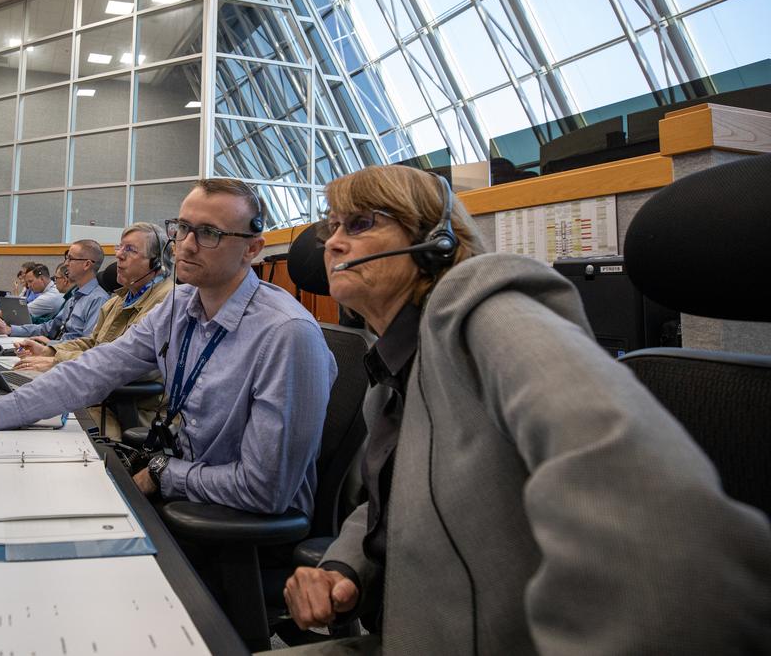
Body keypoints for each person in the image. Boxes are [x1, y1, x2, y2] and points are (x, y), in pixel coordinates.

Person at [282, 165, 771, 652]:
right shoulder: (390, 373)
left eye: (361, 222)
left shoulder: (485, 312)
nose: (334, 243)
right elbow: (392, 498)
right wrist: (343, 568)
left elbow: (638, 492)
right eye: (333, 226)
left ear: (437, 242)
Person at [0, 179, 337, 516]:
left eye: (210, 233)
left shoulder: (286, 335)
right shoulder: (180, 306)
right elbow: (92, 370)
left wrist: (162, 473)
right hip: (176, 484)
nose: (186, 245)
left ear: (253, 249)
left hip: (230, 522)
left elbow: (267, 489)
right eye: (182, 228)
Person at [12, 222, 176, 430]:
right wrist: (50, 350)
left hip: (130, 411)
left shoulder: (167, 302)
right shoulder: (119, 299)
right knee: (29, 405)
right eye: (120, 247)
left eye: (130, 250)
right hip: (98, 395)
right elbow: (93, 342)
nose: (119, 255)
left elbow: (131, 367)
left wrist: (56, 361)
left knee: (38, 428)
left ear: (156, 263)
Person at [0, 240, 109, 343]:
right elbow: (49, 328)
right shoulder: (74, 297)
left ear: (87, 265)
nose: (66, 264)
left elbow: (87, 346)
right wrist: (9, 330)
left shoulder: (98, 300)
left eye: (70, 259)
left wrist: (50, 344)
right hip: (56, 353)